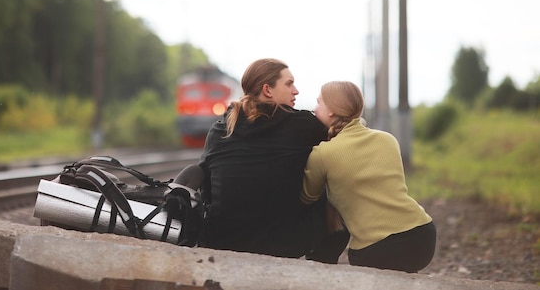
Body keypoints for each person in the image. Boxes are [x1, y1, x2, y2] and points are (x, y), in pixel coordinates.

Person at [171, 58, 349, 261]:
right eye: (289, 84)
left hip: (221, 240)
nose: (296, 91)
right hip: (284, 245)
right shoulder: (304, 126)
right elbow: (342, 149)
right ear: (267, 90)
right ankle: (319, 271)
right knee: (334, 188)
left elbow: (208, 190)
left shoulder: (220, 129)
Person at [300, 80, 436, 273]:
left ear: (331, 110)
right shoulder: (387, 139)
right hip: (422, 236)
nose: (314, 108)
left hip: (375, 249)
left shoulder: (322, 154)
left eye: (319, 102)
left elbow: (308, 197)